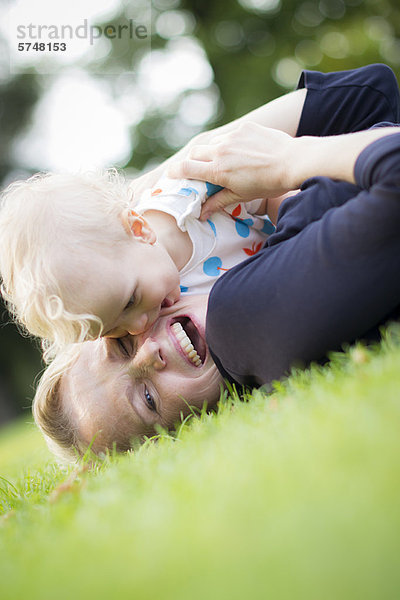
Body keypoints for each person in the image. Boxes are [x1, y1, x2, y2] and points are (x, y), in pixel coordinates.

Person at [32, 63, 400, 461]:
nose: (146, 352)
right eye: (148, 399)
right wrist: (290, 160)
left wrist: (179, 173)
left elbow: (370, 94)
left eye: (121, 344)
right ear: (184, 429)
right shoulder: (240, 321)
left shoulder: (233, 248)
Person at [0, 168, 274, 356]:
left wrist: (295, 223)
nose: (138, 327)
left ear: (138, 230)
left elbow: (270, 188)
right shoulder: (154, 308)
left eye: (131, 300)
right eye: (112, 332)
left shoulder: (191, 198)